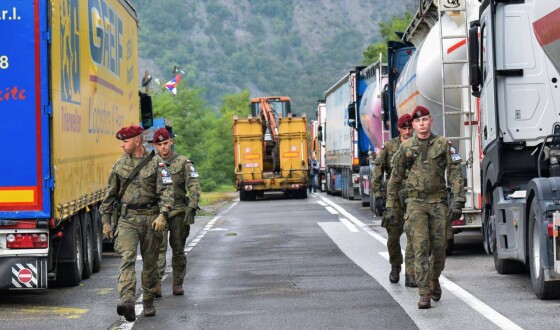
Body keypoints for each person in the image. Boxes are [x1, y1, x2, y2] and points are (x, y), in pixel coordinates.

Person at [386, 105, 465, 309]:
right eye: (418, 121)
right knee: (420, 246)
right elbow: (395, 179)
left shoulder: (443, 144)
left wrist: (458, 201)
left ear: (431, 121)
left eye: (425, 120)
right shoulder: (406, 148)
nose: (422, 124)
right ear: (412, 125)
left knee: (439, 248)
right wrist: (389, 206)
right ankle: (424, 293)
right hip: (415, 203)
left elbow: (455, 174)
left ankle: (433, 278)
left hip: (438, 203)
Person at [100, 125, 174, 321]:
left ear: (137, 141)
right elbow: (110, 195)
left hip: (152, 219)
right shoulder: (119, 165)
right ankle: (127, 301)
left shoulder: (157, 164)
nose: (122, 145)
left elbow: (167, 192)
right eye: (122, 142)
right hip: (127, 219)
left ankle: (148, 300)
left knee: (150, 263)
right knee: (127, 259)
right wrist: (106, 221)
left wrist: (163, 215)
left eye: (125, 141)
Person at [152, 128, 201, 297]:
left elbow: (194, 185)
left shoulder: (183, 162)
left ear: (171, 142)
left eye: (165, 143)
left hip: (179, 211)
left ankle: (177, 283)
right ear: (155, 145)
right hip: (159, 213)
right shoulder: (151, 163)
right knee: (158, 249)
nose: (163, 147)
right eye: (159, 144)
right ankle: (156, 283)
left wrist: (192, 207)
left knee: (178, 249)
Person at [371, 114, 416, 287]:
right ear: (399, 129)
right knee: (393, 236)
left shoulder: (419, 145)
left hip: (413, 196)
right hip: (394, 196)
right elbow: (377, 170)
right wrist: (379, 196)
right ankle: (395, 265)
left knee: (414, 235)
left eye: (409, 128)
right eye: (404, 128)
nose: (407, 131)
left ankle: (411, 274)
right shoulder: (390, 147)